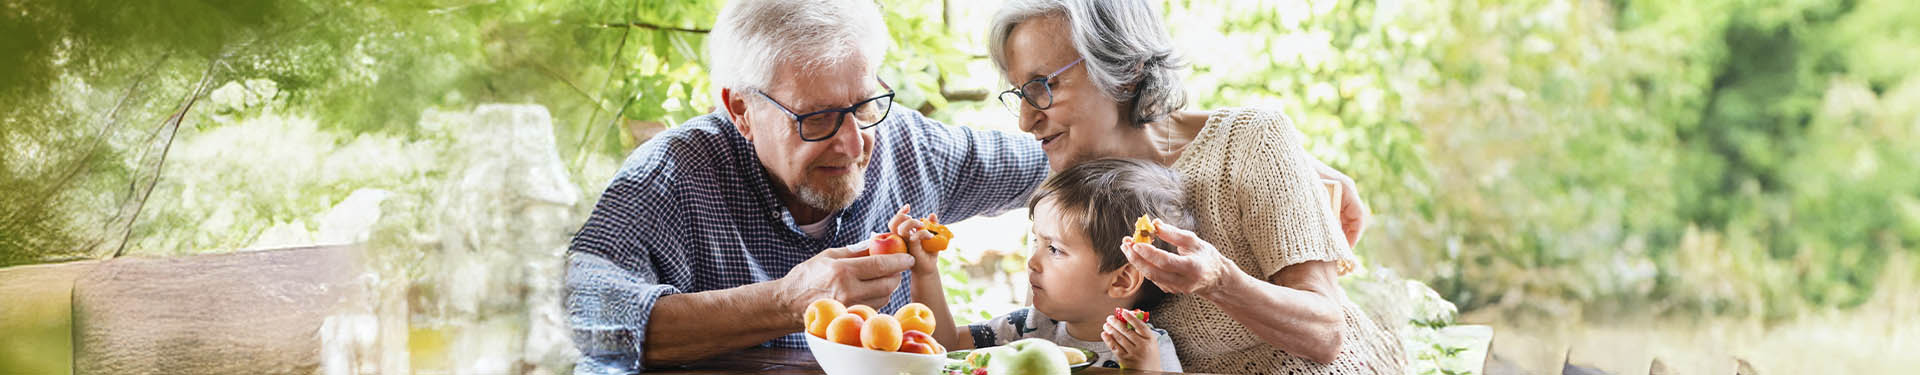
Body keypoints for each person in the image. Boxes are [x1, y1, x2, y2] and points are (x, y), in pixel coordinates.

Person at [563, 0, 1049, 372]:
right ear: (740, 110)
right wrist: (784, 303)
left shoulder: (910, 144)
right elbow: (575, 313)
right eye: (817, 118)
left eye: (863, 105)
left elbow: (1055, 162)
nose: (852, 143)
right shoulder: (673, 174)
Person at [985, 0, 1407, 372]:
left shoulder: (1248, 143)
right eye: (1020, 92)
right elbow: (1051, 339)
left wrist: (1218, 281)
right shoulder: (1072, 188)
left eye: (1044, 85)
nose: (1026, 120)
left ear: (1125, 70)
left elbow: (1326, 334)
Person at [891, 158, 1188, 371]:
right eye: (1037, 242)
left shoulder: (1148, 349)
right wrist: (925, 271)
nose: (1033, 262)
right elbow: (946, 346)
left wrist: (1144, 370)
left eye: (1054, 249)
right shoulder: (1029, 327)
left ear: (1121, 280)